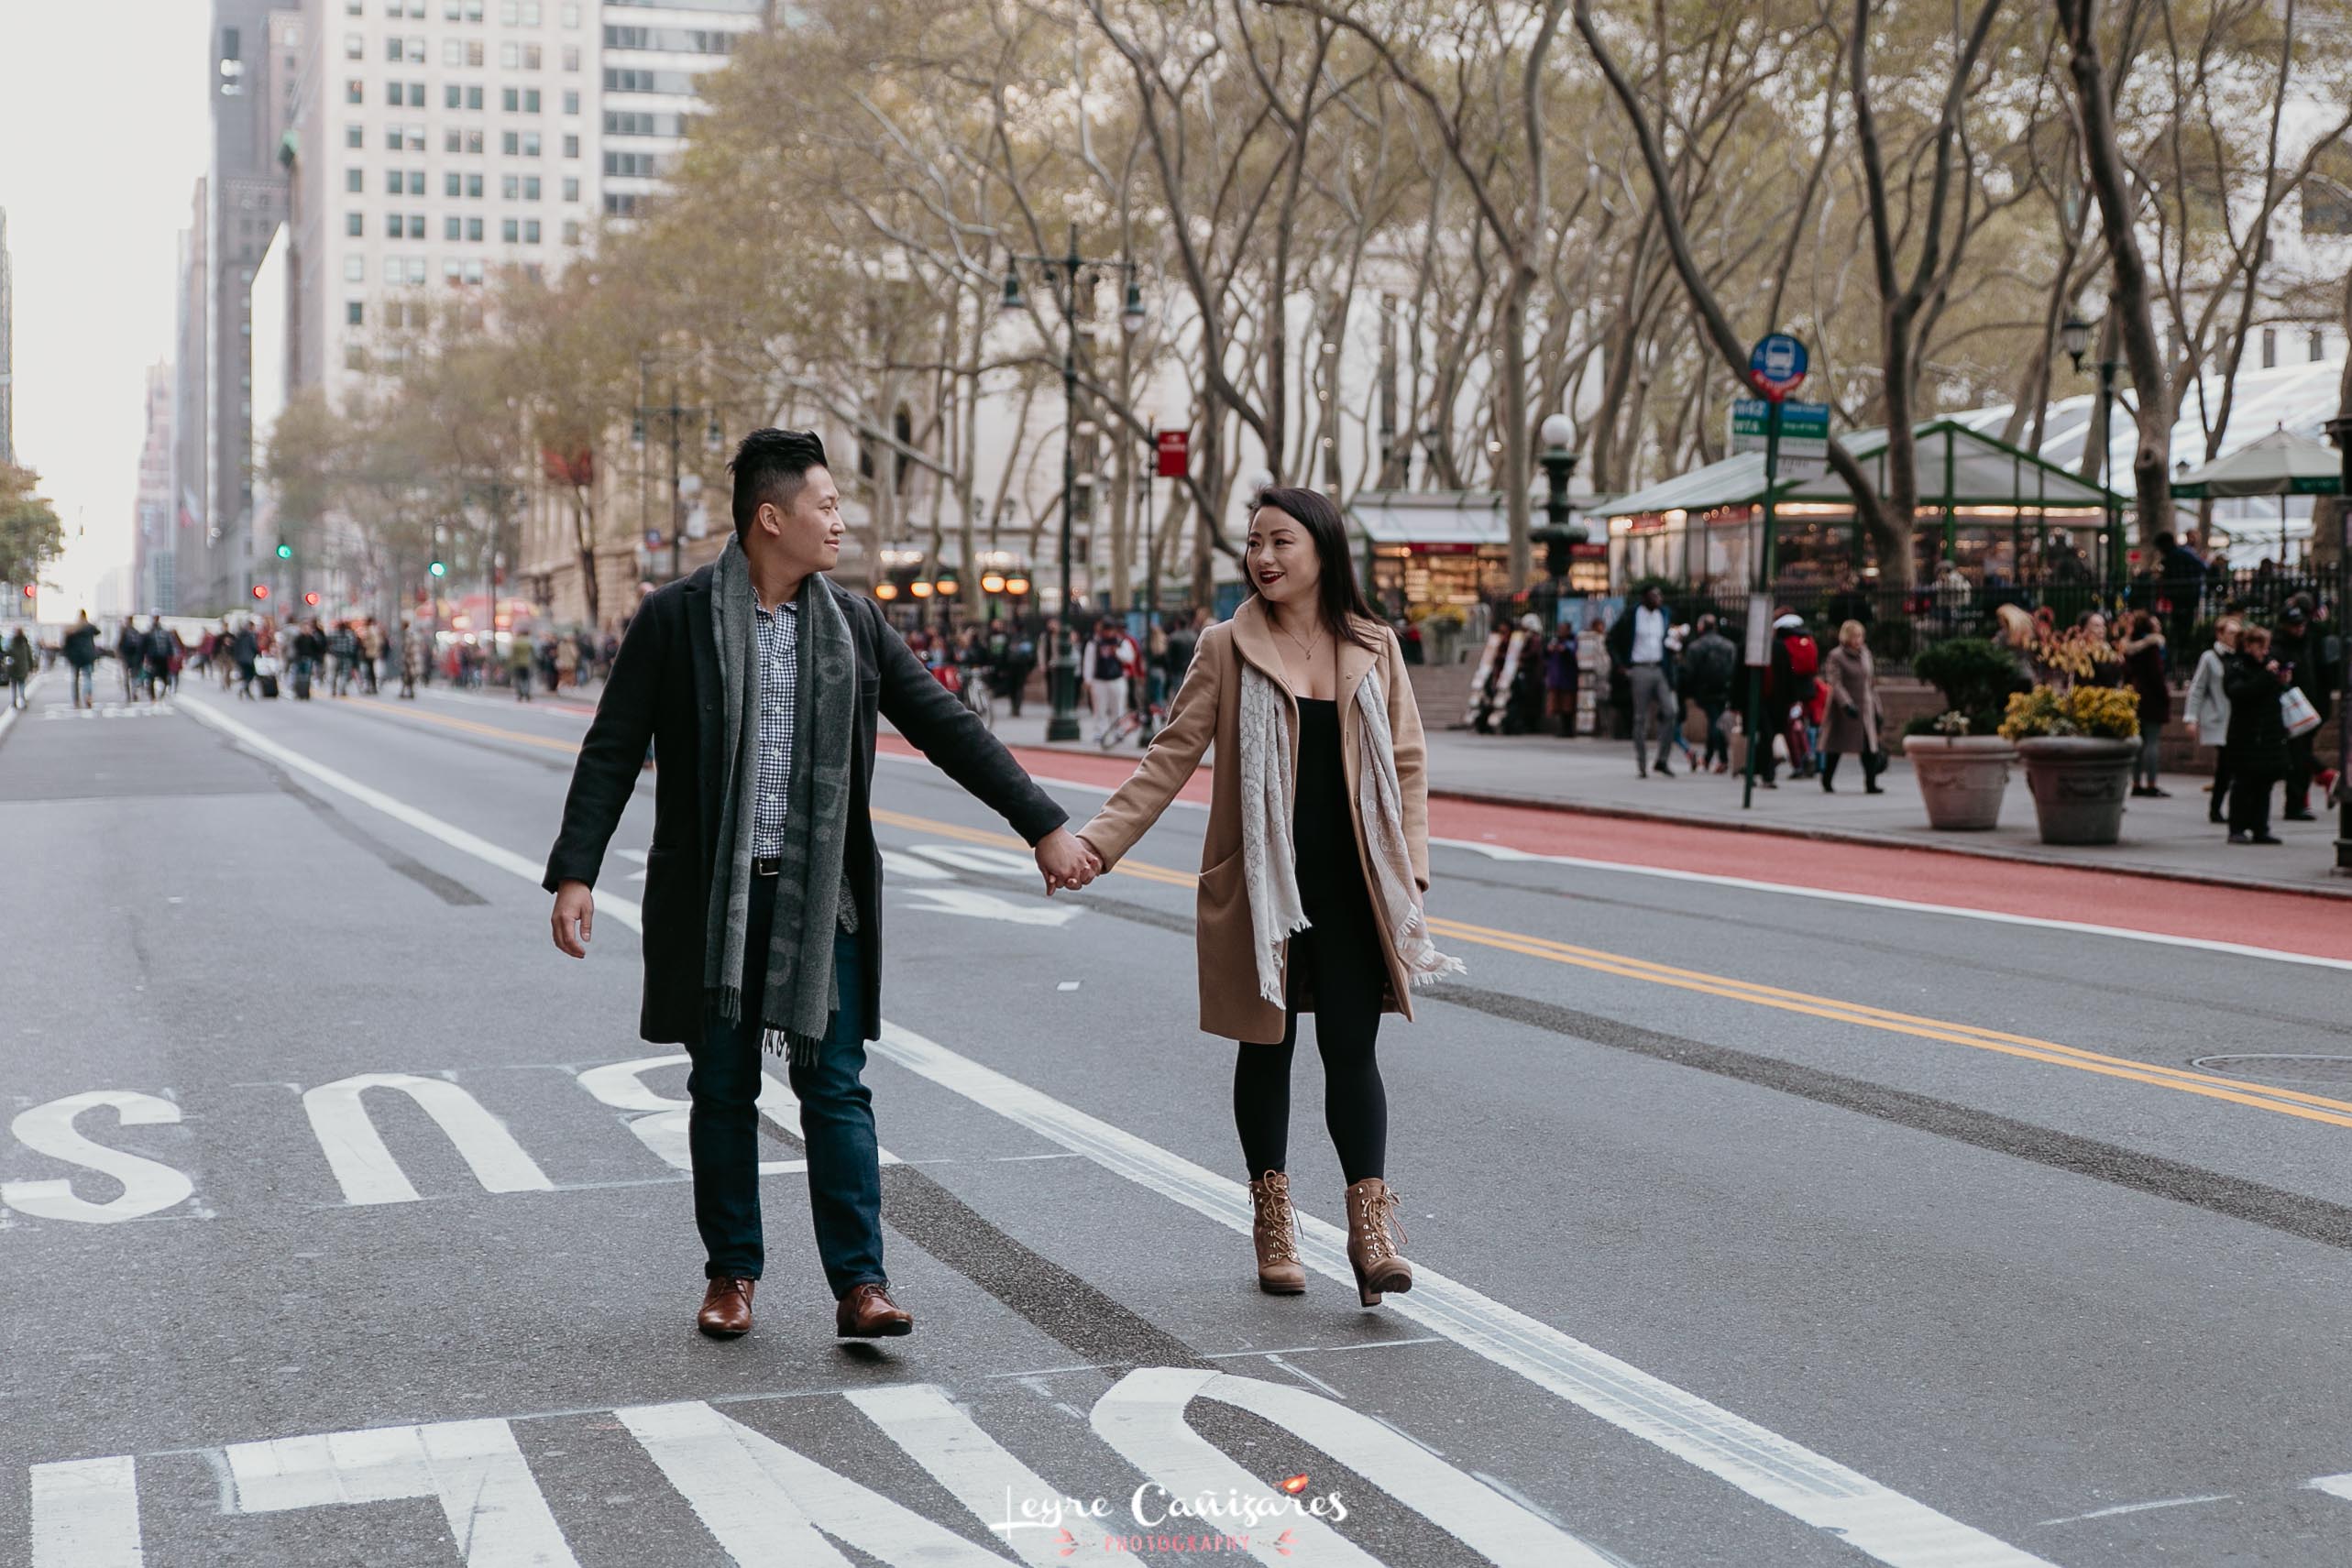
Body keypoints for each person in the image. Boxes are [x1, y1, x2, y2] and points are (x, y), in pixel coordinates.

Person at [544, 429, 1094, 1342]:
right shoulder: (675, 618)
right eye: (826, 505)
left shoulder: (854, 624)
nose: (840, 520)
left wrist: (1040, 822)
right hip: (714, 903)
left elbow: (946, 725)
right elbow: (612, 749)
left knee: (835, 1084)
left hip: (819, 897)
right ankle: (731, 1276)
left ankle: (861, 1283)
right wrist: (575, 872)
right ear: (772, 519)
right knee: (721, 1087)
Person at [1072, 487, 1451, 1308]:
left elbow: (1408, 762)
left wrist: (1408, 869)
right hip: (1261, 884)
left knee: (1353, 1049)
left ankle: (1369, 1227)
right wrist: (1096, 844)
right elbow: (1168, 758)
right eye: (1254, 544)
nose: (1265, 557)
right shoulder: (1227, 645)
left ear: (1321, 549)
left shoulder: (1374, 646)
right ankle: (1273, 1220)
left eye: (1281, 541)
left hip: (1354, 885)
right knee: (1266, 1046)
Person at [2221, 622, 2291, 845]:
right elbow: (2239, 693)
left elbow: (2272, 698)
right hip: (2245, 736)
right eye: (2261, 647)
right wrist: (2266, 678)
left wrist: (2281, 682)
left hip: (2268, 735)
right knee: (2242, 783)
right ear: (2249, 645)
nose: (2265, 652)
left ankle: (2261, 827)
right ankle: (2237, 827)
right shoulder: (2237, 666)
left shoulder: (2267, 669)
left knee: (2264, 784)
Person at [2272, 603, 2336, 821]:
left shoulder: (2308, 642)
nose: (2299, 629)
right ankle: (2303, 796)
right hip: (2290, 710)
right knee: (2296, 755)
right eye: (2294, 625)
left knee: (2300, 755)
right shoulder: (2279, 646)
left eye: (2301, 624)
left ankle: (2301, 800)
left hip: (2309, 708)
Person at [1607, 585, 1678, 777]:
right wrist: (1620, 664)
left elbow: (1669, 638)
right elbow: (1611, 639)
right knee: (1641, 717)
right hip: (1639, 668)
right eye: (1655, 595)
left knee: (1670, 711)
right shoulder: (1631, 615)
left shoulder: (1664, 614)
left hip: (1660, 668)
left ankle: (1662, 759)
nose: (1659, 599)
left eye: (1660, 595)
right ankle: (1642, 763)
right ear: (1645, 597)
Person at [1819, 620, 1885, 794]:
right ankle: (1827, 778)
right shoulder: (1836, 656)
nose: (1858, 640)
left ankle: (1871, 783)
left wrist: (1878, 708)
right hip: (1846, 709)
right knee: (1836, 747)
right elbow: (1835, 683)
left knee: (1869, 747)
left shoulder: (1865, 654)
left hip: (1866, 706)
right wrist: (1846, 704)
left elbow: (1870, 683)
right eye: (1854, 636)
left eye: (1860, 636)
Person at [2184, 617, 2237, 823]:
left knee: (2232, 767)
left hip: (2238, 718)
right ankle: (2217, 807)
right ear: (2220, 634)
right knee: (2226, 764)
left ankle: (2227, 808)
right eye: (2231, 633)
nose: (2235, 637)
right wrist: (2191, 717)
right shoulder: (2210, 658)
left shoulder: (2241, 656)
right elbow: (2197, 689)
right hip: (2220, 718)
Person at [2118, 610, 2171, 798]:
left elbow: (2125, 672)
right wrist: (2165, 696)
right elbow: (2157, 674)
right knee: (2152, 741)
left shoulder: (2128, 647)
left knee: (2138, 743)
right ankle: (2151, 783)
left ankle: (2136, 783)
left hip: (2134, 694)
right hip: (2151, 696)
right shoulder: (2152, 646)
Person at [1681, 613, 1737, 773]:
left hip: (1705, 690)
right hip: (1724, 689)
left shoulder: (1696, 647)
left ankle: (1721, 759)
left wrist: (1688, 691)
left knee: (1715, 724)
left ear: (1701, 627)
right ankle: (1708, 758)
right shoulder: (1728, 645)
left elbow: (1690, 672)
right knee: (1715, 721)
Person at [1086, 618, 1137, 742]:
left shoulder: (1121, 642)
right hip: (1099, 679)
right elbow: (1089, 661)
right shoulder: (1094, 643)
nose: (1108, 633)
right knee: (1100, 708)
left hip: (1117, 678)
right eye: (1105, 630)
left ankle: (1118, 730)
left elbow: (1130, 657)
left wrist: (1117, 652)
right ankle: (1099, 732)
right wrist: (1088, 679)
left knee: (1118, 707)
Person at [1541, 621, 1579, 739]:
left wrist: (1564, 650)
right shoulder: (1554, 640)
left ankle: (1568, 729)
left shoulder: (1572, 641)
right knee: (1557, 705)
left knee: (1568, 705)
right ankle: (1562, 728)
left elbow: (1573, 655)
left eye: (1563, 629)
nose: (1560, 631)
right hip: (1556, 678)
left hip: (1568, 679)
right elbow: (1545, 654)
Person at [4, 625, 32, 709]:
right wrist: (31, 666)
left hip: (14, 667)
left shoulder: (12, 642)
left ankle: (14, 702)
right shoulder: (25, 642)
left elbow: (7, 653)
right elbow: (29, 655)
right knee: (21, 684)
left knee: (14, 685)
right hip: (22, 667)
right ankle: (22, 700)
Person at [507, 628, 536, 701]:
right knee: (527, 679)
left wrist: (511, 662)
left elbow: (512, 654)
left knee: (518, 679)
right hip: (527, 663)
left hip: (517, 663)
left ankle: (520, 694)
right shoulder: (528, 642)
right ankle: (527, 693)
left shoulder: (516, 642)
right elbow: (534, 653)